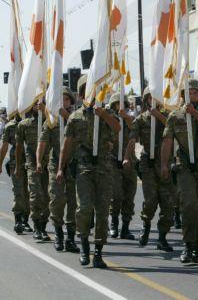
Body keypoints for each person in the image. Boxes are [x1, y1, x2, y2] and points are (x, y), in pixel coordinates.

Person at [57, 75, 121, 268]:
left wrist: (103, 115)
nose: (91, 94)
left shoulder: (108, 113)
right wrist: (60, 168)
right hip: (84, 167)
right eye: (87, 90)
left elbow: (118, 128)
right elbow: (66, 145)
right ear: (82, 93)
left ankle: (98, 251)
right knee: (84, 208)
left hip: (104, 168)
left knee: (102, 212)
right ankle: (84, 247)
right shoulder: (76, 117)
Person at [161, 79, 198, 264]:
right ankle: (187, 246)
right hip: (184, 166)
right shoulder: (175, 116)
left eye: (194, 93)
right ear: (182, 96)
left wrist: (194, 114)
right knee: (189, 205)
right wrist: (164, 164)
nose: (191, 96)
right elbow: (168, 141)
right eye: (188, 93)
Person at [123, 87, 175, 252]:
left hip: (166, 162)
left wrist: (158, 116)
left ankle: (162, 238)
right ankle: (145, 226)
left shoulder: (169, 116)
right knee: (151, 200)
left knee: (168, 203)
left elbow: (174, 127)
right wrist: (127, 156)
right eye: (151, 98)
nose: (154, 100)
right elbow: (133, 139)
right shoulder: (141, 120)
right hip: (149, 163)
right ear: (146, 100)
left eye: (157, 97)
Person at [36, 87, 79, 252]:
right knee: (56, 199)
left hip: (73, 164)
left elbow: (80, 130)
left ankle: (70, 237)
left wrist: (65, 115)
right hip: (55, 164)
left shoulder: (77, 118)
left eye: (66, 99)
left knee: (74, 202)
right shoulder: (51, 121)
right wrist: (39, 161)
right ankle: (59, 234)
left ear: (71, 102)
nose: (63, 102)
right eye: (60, 99)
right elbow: (42, 143)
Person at [16, 102, 50, 241]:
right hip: (31, 164)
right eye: (35, 103)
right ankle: (36, 226)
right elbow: (19, 147)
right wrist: (18, 166)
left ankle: (43, 226)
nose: (38, 105)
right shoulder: (24, 125)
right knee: (35, 194)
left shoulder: (51, 122)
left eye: (40, 102)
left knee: (47, 197)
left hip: (48, 164)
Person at [107, 93, 138, 240]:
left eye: (122, 105)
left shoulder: (130, 120)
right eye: (116, 105)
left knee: (129, 195)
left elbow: (135, 131)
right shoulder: (109, 120)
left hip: (129, 162)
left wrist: (125, 117)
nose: (119, 108)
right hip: (113, 161)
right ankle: (113, 223)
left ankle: (125, 227)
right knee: (116, 194)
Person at [0, 114, 31, 234]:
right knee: (18, 191)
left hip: (30, 161)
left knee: (29, 192)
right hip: (15, 162)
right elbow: (4, 146)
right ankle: (18, 220)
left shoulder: (34, 122)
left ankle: (25, 219)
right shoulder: (10, 126)